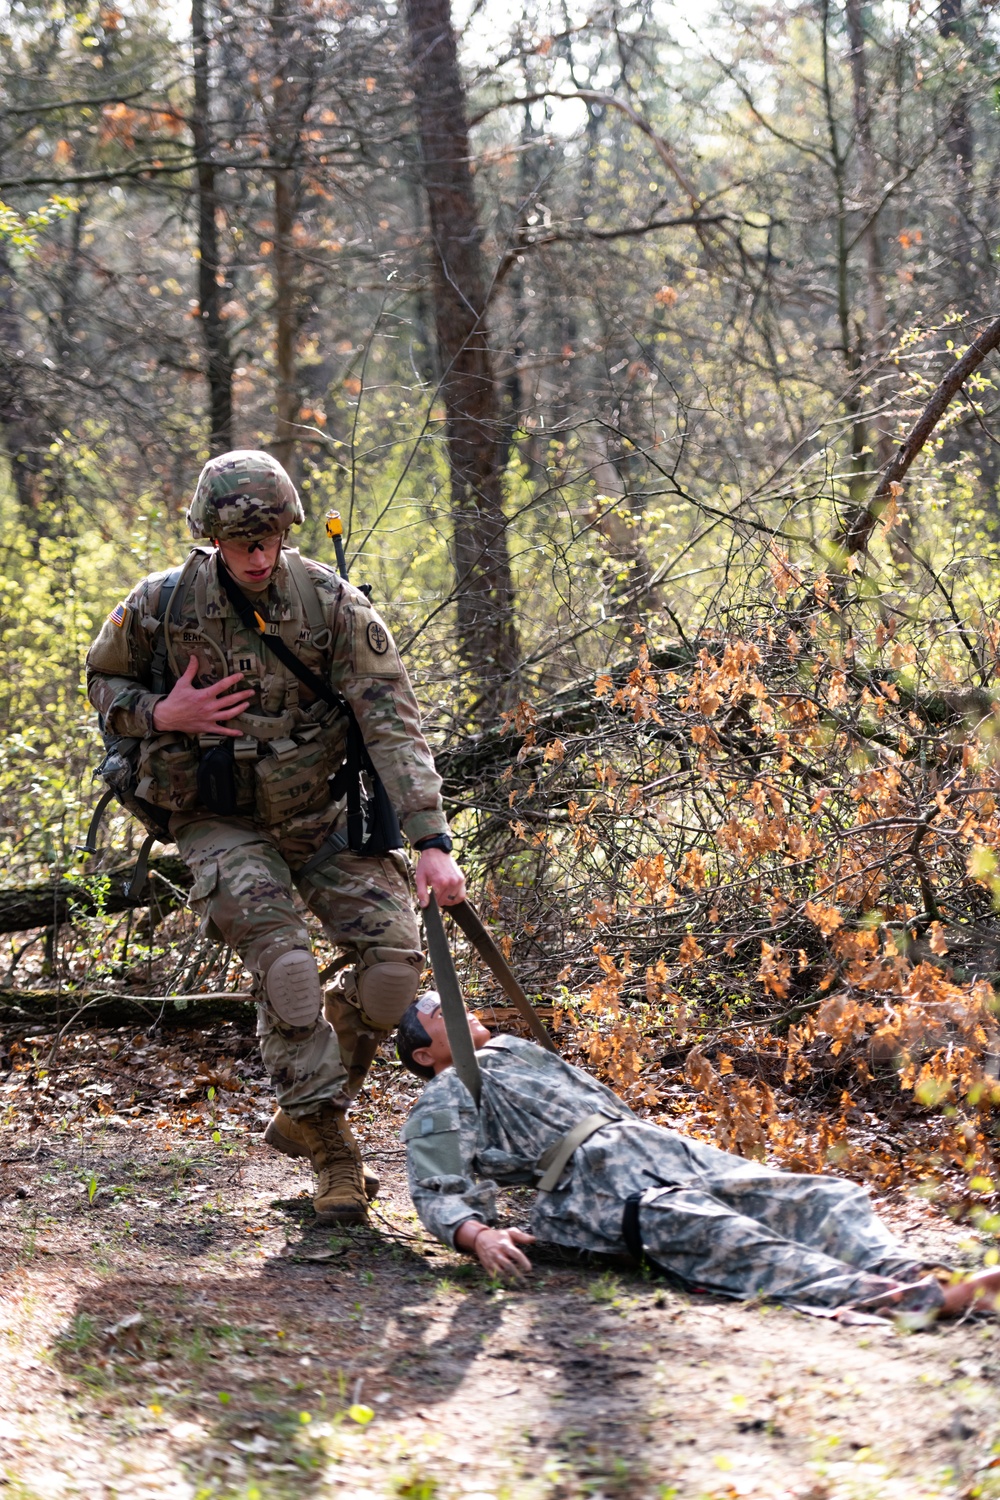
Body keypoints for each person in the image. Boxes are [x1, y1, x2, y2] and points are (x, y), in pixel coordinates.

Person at [86, 449, 465, 1225]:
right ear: (211, 539)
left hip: (322, 815)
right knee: (288, 972)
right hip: (219, 818)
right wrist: (163, 713)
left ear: (289, 531)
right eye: (240, 545)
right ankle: (332, 1152)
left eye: (270, 541)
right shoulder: (161, 603)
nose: (257, 558)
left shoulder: (334, 607)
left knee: (394, 974)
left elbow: (393, 724)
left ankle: (304, 1104)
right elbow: (101, 682)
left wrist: (431, 841)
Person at [397, 994, 1000, 1320]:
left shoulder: (515, 1051)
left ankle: (914, 1274)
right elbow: (437, 1187)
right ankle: (916, 1303)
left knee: (822, 1195)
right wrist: (477, 1236)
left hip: (656, 1147)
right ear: (424, 1055)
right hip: (592, 1187)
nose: (452, 1003)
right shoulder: (444, 1092)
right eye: (433, 1008)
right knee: (719, 1232)